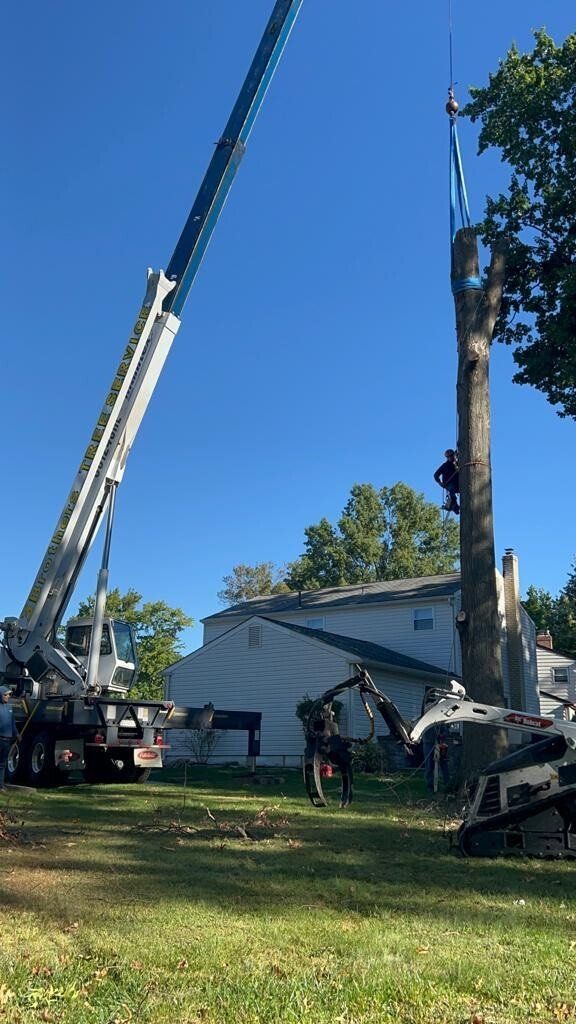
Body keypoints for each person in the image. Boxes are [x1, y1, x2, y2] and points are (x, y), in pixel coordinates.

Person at [0, 685, 17, 791]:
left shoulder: (9, 708)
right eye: (5, 695)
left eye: (9, 695)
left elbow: (12, 723)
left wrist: (17, 734)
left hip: (7, 740)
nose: (8, 697)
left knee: (2, 764)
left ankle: (1, 785)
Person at [434, 449, 460, 515]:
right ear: (447, 457)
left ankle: (454, 505)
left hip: (457, 484)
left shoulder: (457, 463)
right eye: (449, 456)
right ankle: (455, 506)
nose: (451, 457)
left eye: (452, 456)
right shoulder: (445, 466)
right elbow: (436, 475)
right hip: (449, 484)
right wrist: (440, 483)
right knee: (452, 491)